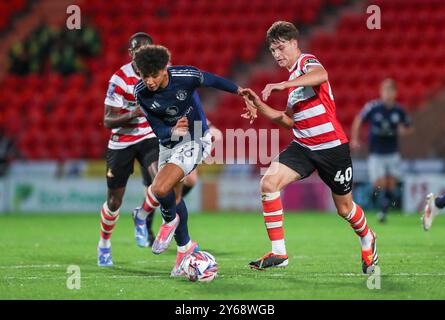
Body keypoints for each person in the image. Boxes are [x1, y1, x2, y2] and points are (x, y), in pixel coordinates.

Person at [241, 21, 378, 274]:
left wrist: (282, 85)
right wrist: (259, 105)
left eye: (281, 48)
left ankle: (368, 237)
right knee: (268, 184)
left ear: (294, 43)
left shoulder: (306, 63)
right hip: (303, 146)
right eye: (273, 51)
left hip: (332, 147)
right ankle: (279, 253)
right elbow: (288, 121)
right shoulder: (294, 85)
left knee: (344, 209)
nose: (277, 55)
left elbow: (322, 74)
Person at [133, 44, 243, 276]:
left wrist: (240, 91)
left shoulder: (186, 76)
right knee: (172, 194)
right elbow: (157, 126)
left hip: (195, 137)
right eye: (145, 76)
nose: (149, 81)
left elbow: (212, 80)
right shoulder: (140, 92)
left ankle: (169, 221)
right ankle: (185, 248)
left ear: (164, 70)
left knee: (160, 188)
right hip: (168, 142)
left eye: (154, 75)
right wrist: (172, 132)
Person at [97, 32, 160, 267]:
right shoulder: (120, 79)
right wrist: (134, 112)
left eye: (147, 50)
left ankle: (141, 215)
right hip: (121, 142)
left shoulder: (159, 71)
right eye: (137, 51)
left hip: (147, 137)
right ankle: (104, 243)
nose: (142, 55)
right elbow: (107, 120)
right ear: (131, 54)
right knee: (114, 202)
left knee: (160, 181)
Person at [351, 79, 413, 223]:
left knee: (391, 183)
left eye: (390, 90)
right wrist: (355, 139)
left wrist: (404, 130)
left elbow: (409, 127)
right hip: (376, 153)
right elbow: (359, 119)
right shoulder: (373, 107)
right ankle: (381, 206)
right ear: (381, 92)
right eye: (385, 90)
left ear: (395, 93)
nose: (387, 93)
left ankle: (383, 212)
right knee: (378, 183)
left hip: (392, 152)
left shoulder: (399, 110)